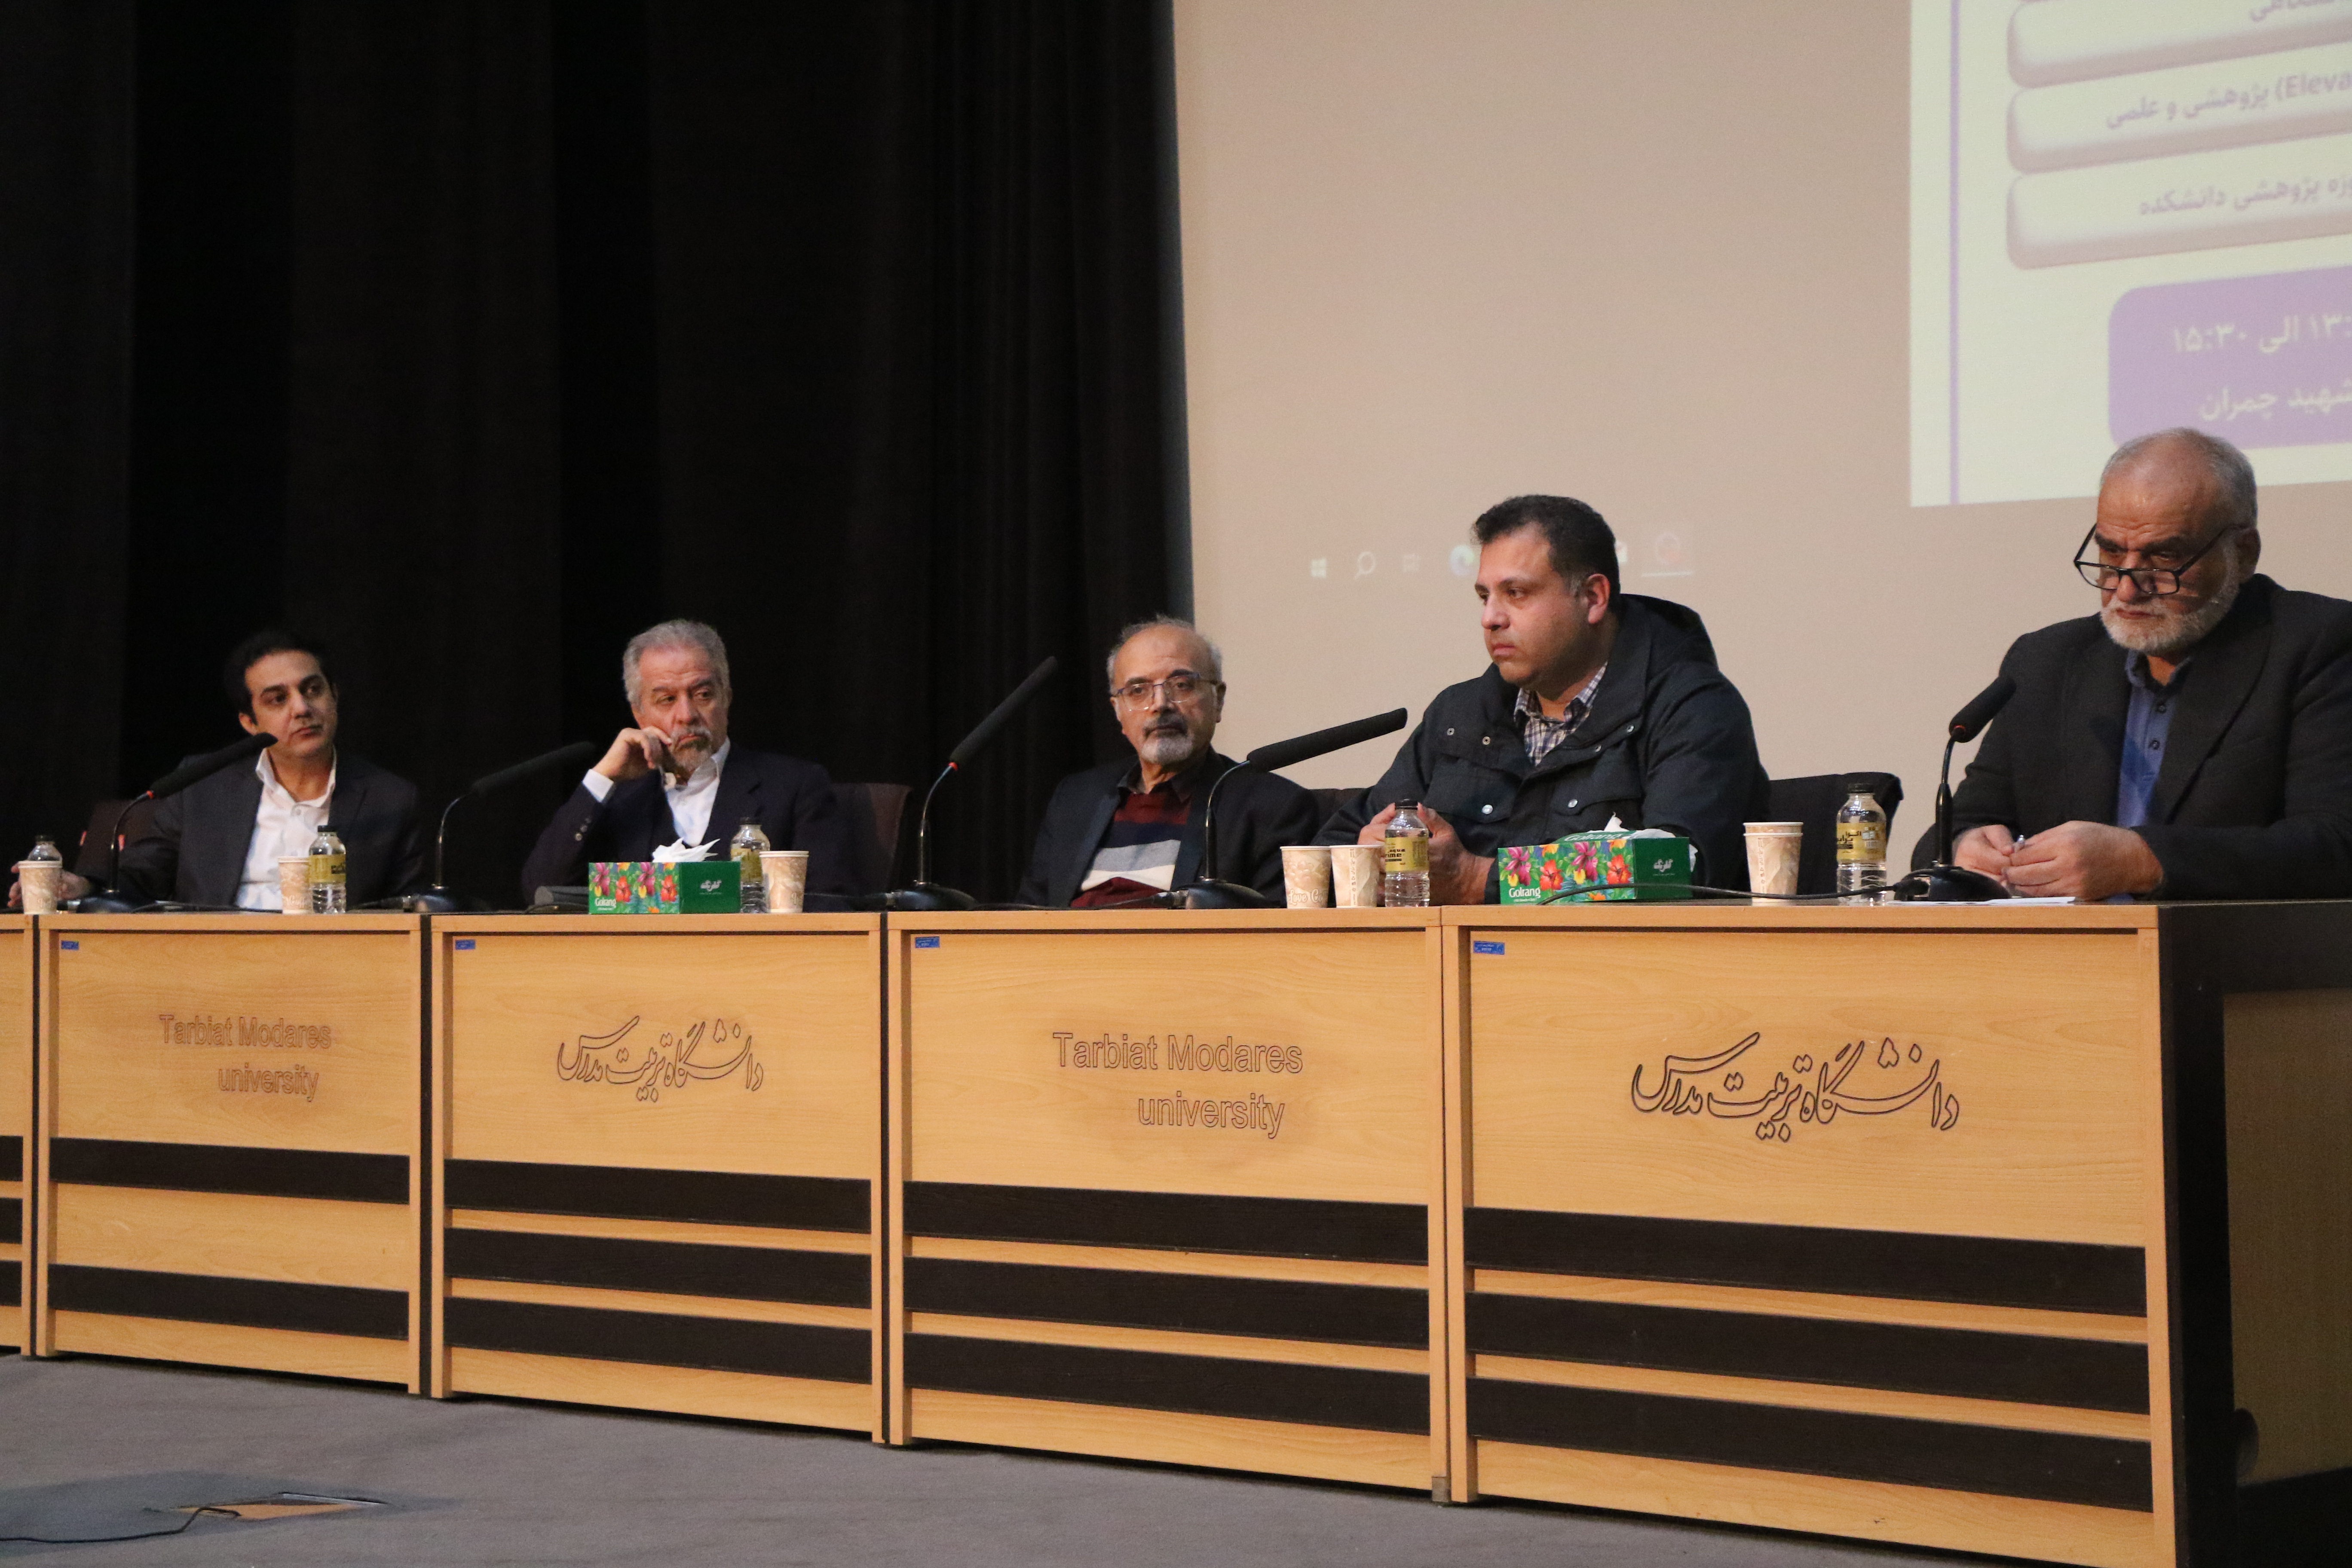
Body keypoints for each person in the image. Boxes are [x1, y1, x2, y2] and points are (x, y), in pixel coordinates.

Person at [1940, 428, 2352, 901]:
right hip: (2067, 948)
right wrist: (1967, 849)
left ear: (2243, 554)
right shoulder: (2046, 661)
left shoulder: (2321, 643)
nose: (2127, 588)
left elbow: (2337, 843)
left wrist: (2144, 861)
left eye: (2164, 557)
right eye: (2112, 552)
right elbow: (1955, 828)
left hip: (2236, 947)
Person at [1318, 494, 1767, 901]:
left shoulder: (1695, 708)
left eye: (1516, 593)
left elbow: (1677, 867)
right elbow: (1333, 847)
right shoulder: (1459, 714)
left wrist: (1477, 879)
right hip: (1463, 959)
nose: (1490, 618)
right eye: (1484, 596)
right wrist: (1368, 858)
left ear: (1592, 597)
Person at [10, 630, 426, 910]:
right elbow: (141, 879)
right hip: (213, 972)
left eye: (312, 690)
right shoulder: (202, 785)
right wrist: (81, 887)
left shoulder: (390, 799)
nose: (302, 708)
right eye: (278, 699)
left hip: (336, 979)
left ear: (334, 695)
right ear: (250, 722)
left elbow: (410, 909)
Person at [521, 619, 854, 904]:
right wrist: (601, 779)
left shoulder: (794, 787)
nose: (687, 715)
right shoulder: (617, 799)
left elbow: (831, 904)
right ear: (639, 714)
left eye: (702, 695)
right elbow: (542, 891)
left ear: (727, 698)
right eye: (667, 699)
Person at [1018, 618, 1321, 906]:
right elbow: (1027, 916)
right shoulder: (1076, 798)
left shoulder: (1272, 806)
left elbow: (1275, 930)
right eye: (1138, 691)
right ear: (1118, 711)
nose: (1160, 705)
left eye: (1182, 685)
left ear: (1218, 700)